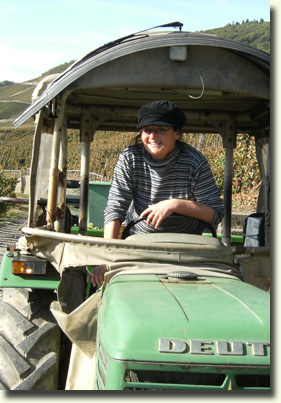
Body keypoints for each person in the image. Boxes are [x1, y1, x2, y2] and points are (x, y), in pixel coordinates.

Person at [90, 100, 224, 286]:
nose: (152, 136)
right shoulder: (130, 158)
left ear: (177, 133)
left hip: (188, 250)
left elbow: (215, 213)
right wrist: (108, 257)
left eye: (161, 129)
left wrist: (174, 204)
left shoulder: (194, 162)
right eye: (147, 130)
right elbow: (115, 206)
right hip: (141, 245)